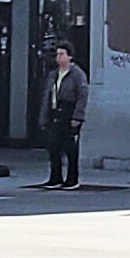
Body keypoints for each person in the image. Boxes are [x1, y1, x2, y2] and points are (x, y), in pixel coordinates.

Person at [35, 42, 88, 189]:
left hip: (68, 110)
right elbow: (47, 95)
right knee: (53, 146)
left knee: (70, 147)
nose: (58, 57)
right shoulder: (53, 74)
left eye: (62, 54)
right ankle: (55, 177)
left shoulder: (77, 74)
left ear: (70, 56)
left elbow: (82, 96)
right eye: (57, 54)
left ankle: (72, 179)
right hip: (54, 110)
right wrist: (43, 116)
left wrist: (77, 117)